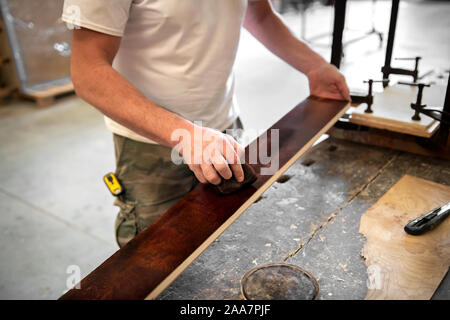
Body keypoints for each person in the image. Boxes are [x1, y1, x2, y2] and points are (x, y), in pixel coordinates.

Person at [62, 0, 350, 247]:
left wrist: (314, 66)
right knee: (157, 255)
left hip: (224, 128)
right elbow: (88, 71)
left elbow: (258, 13)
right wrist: (185, 135)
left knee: (228, 239)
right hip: (149, 144)